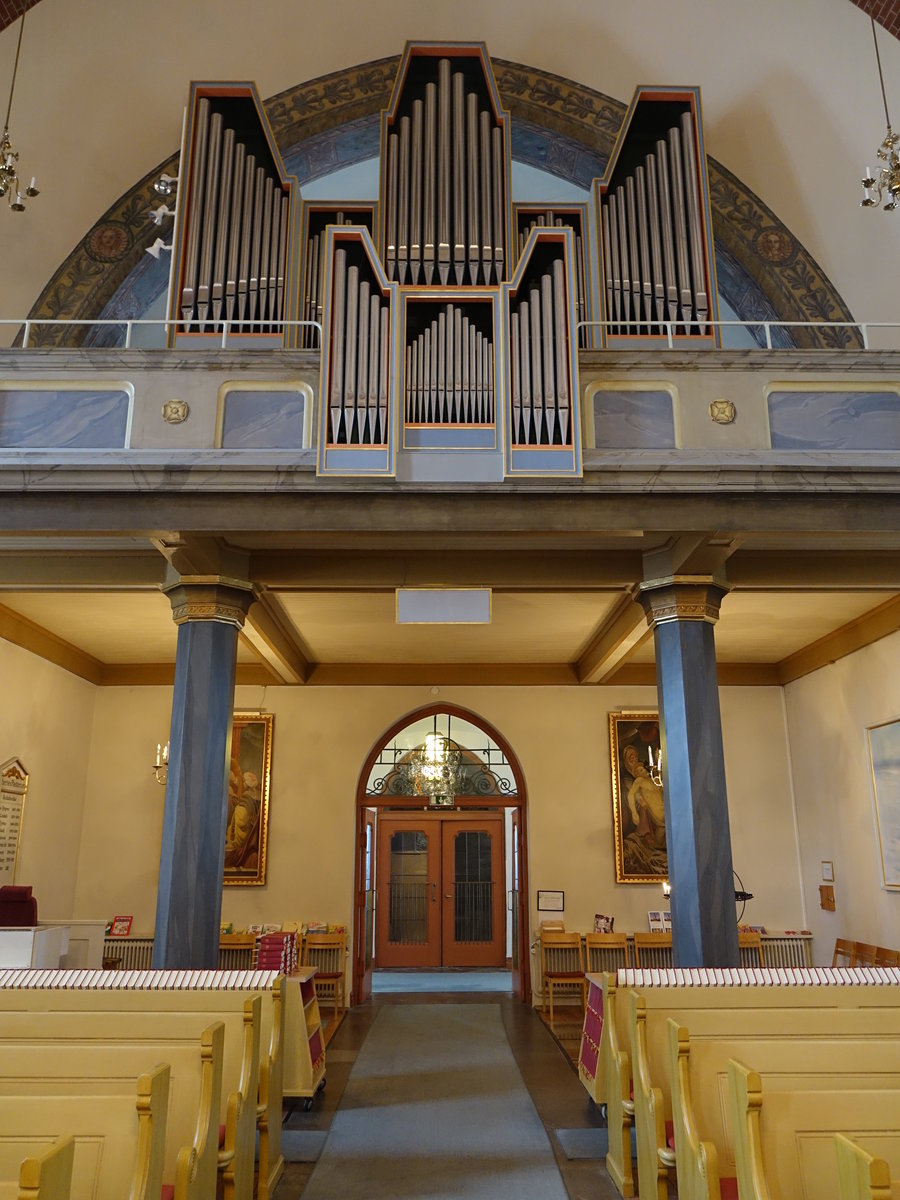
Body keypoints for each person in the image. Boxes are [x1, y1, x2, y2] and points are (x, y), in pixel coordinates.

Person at [621, 742, 667, 876]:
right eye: (631, 757)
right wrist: (635, 811)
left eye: (643, 769)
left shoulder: (654, 780)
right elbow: (631, 794)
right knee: (662, 827)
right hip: (651, 809)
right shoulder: (635, 781)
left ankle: (660, 849)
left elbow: (661, 788)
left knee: (666, 828)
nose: (642, 771)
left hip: (661, 806)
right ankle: (658, 848)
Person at [225, 770, 261, 868]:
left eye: (243, 782)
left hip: (242, 841)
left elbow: (242, 820)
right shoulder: (255, 796)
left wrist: (235, 806)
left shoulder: (246, 800)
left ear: (246, 784)